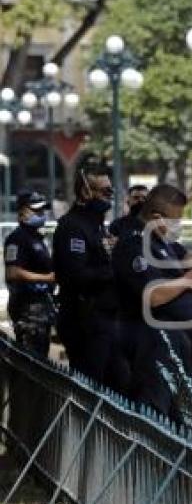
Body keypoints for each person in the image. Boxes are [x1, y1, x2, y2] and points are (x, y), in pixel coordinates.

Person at [112, 184, 192, 416]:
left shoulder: (159, 242)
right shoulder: (134, 244)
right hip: (149, 348)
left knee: (181, 414)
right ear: (157, 217)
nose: (177, 225)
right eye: (175, 220)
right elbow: (154, 295)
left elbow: (182, 255)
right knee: (155, 415)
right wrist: (190, 279)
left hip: (172, 344)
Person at [53, 156, 126, 390]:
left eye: (110, 191)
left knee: (118, 385)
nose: (108, 196)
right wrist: (113, 270)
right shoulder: (73, 226)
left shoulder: (97, 226)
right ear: (85, 193)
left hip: (103, 320)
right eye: (104, 192)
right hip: (85, 322)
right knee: (91, 390)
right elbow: (74, 275)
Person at [3, 191, 55, 357]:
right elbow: (12, 272)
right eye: (36, 211)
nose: (41, 215)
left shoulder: (36, 237)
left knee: (42, 357)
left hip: (42, 306)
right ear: (22, 212)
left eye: (42, 211)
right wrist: (48, 278)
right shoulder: (17, 238)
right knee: (32, 362)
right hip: (27, 308)